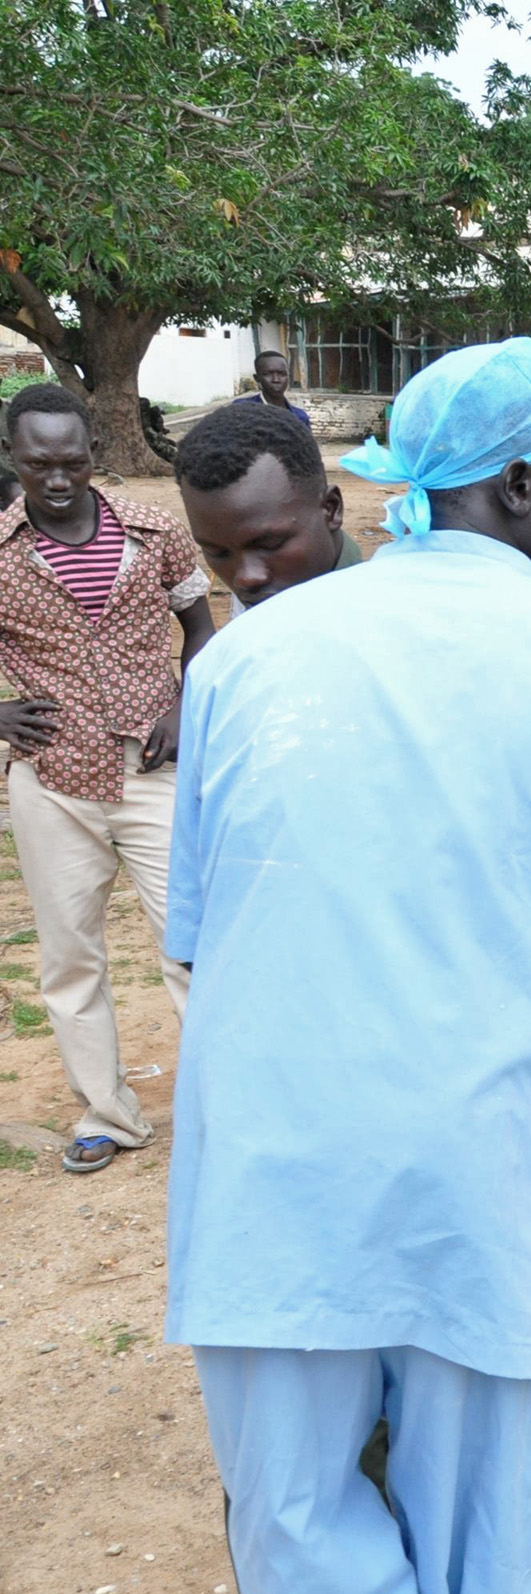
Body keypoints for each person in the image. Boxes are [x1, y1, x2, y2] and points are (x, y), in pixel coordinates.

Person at [166, 337, 531, 1594]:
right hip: (474, 1174)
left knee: (294, 1529)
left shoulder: (244, 662)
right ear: (515, 481)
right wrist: (524, 1188)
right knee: (475, 1557)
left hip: (268, 1175)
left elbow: (202, 938)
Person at [0, 382, 214, 1172]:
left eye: (71, 460)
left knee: (193, 940)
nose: (57, 479)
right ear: (13, 460)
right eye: (38, 464)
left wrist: (188, 705)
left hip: (156, 769)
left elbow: (200, 626)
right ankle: (107, 1111)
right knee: (71, 957)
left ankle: (229, 1103)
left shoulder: (153, 530)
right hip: (53, 778)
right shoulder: (0, 549)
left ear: (92, 452)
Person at [173, 401, 360, 609]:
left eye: (270, 545)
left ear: (331, 509)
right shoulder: (268, 616)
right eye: (217, 553)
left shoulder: (386, 626)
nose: (246, 578)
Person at [245, 351, 310, 428]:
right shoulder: (242, 410)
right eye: (267, 374)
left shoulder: (300, 417)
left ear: (289, 376)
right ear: (257, 378)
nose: (276, 380)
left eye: (282, 374)